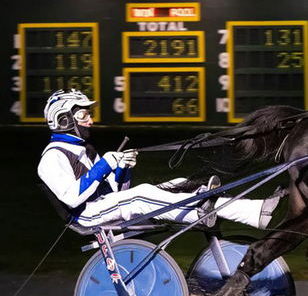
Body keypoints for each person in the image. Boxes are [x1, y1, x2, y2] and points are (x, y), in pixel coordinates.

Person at [37, 89, 281, 229]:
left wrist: (124, 169)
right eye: (83, 115)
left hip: (105, 205)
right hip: (88, 216)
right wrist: (104, 165)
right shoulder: (51, 158)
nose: (89, 121)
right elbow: (71, 198)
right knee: (142, 193)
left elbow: (117, 190)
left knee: (180, 182)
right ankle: (198, 212)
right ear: (63, 120)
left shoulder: (86, 149)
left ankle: (251, 211)